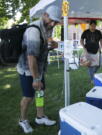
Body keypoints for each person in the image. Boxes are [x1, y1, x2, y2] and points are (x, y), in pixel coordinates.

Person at [17, 5, 60, 133]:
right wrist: (35, 78)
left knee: (40, 92)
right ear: (44, 15)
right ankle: (23, 120)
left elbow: (45, 46)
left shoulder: (47, 28)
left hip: (39, 68)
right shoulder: (34, 31)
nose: (53, 24)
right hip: (27, 69)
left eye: (56, 21)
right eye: (51, 20)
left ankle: (40, 117)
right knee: (29, 96)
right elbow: (31, 57)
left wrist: (54, 45)